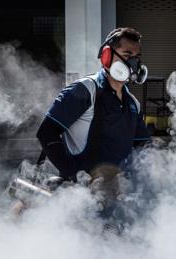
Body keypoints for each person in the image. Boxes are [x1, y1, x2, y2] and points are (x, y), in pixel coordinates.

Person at [36, 27, 150, 187]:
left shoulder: (133, 104)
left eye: (137, 57)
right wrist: (73, 173)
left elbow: (143, 148)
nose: (134, 63)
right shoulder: (86, 90)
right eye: (127, 55)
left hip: (115, 195)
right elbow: (46, 132)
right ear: (107, 56)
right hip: (79, 196)